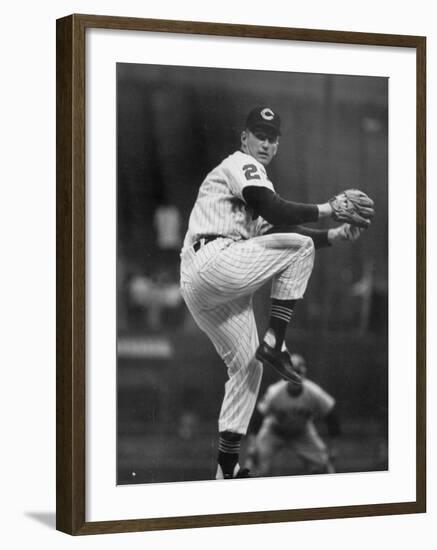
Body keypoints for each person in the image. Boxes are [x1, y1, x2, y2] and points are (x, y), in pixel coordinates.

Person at [179, 106, 370, 480]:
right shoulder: (241, 164)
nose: (265, 142)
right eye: (259, 135)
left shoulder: (253, 188)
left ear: (277, 144)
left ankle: (225, 470)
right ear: (244, 138)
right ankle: (275, 339)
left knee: (246, 368)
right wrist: (330, 208)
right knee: (299, 249)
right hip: (215, 260)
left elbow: (277, 225)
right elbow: (276, 211)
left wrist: (334, 234)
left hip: (201, 284)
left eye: (271, 137)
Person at [245, 354, 340, 476]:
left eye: (298, 372)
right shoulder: (275, 392)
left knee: (323, 464)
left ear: (304, 374)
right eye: (292, 373)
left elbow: (331, 416)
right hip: (274, 431)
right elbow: (257, 417)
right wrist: (253, 445)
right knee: (254, 463)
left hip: (302, 432)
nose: (295, 376)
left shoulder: (314, 392)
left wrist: (333, 448)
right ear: (285, 375)